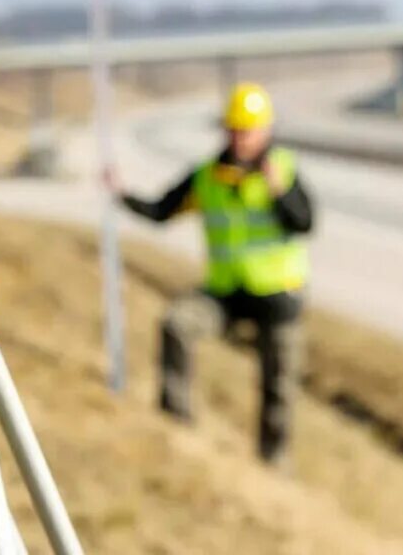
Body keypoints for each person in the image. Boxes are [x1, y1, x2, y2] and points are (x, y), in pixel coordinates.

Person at [114, 82, 314, 466]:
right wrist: (122, 194)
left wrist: (279, 192)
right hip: (225, 293)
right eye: (235, 129)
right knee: (177, 324)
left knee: (279, 384)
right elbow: (161, 211)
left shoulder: (284, 170)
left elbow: (305, 222)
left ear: (266, 130)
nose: (242, 138)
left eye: (249, 130)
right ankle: (176, 425)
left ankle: (274, 462)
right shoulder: (207, 177)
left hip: (278, 296)